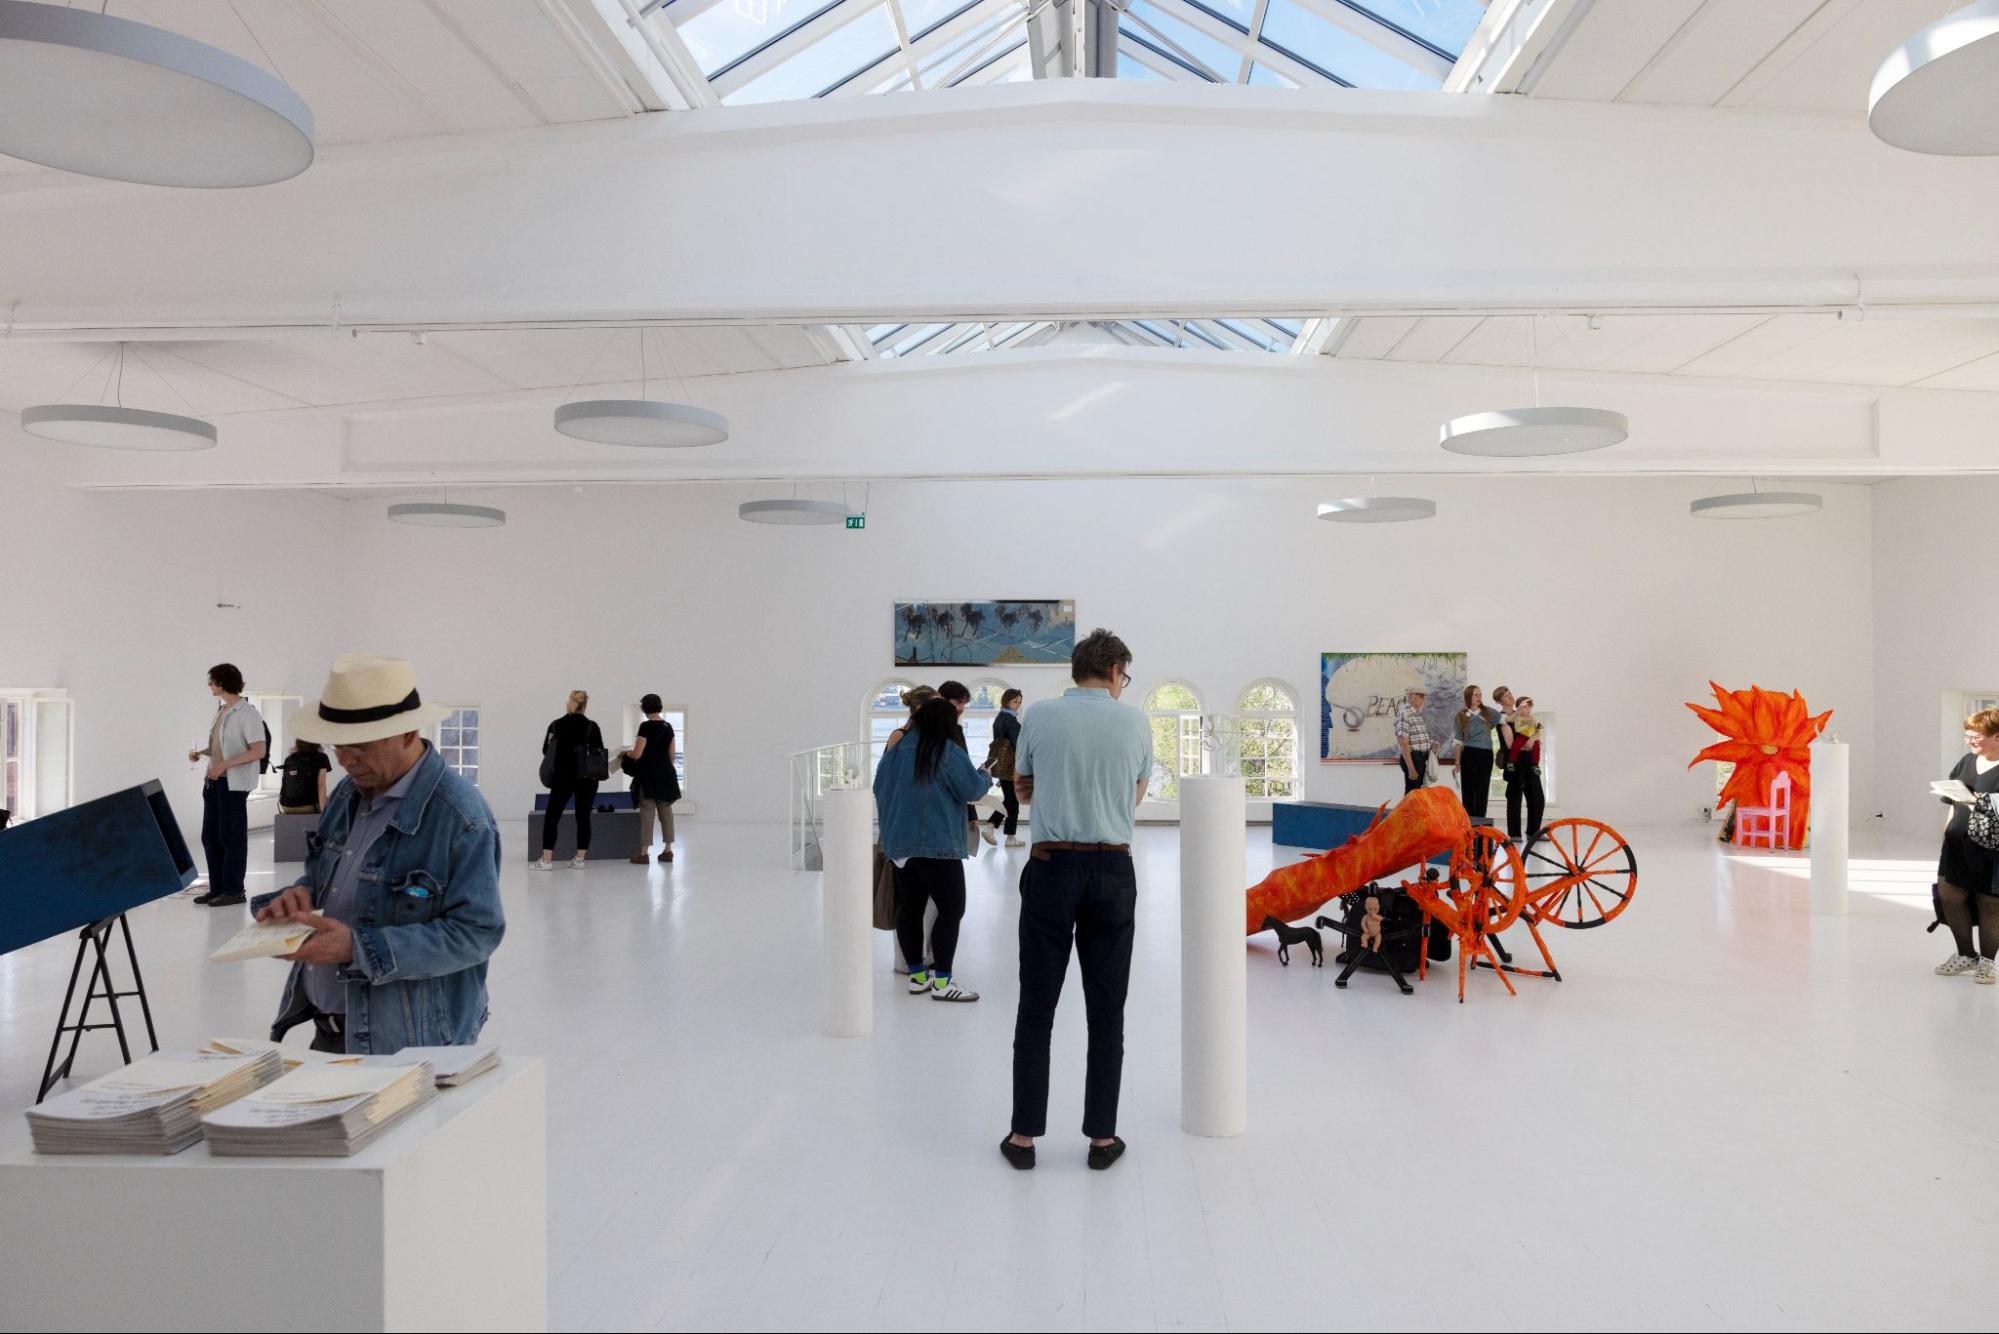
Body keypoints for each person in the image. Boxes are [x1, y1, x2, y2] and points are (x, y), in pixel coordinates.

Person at [252, 654, 504, 1054]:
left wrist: (359, 948)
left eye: (362, 747)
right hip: (331, 1033)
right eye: (338, 747)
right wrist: (300, 894)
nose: (346, 760)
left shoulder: (460, 818)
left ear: (408, 733)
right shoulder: (347, 793)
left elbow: (477, 933)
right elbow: (323, 877)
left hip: (408, 1044)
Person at [1002, 628, 1152, 1173]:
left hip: (1050, 866)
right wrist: (1105, 801)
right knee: (1106, 1010)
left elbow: (1022, 784)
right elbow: (1136, 793)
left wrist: (1052, 790)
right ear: (1114, 670)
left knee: (1036, 1007)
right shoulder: (1134, 721)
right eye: (1124, 676)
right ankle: (1101, 1139)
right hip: (1113, 869)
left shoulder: (1039, 715)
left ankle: (1023, 1138)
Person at [873, 697, 992, 1003]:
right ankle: (943, 982)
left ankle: (917, 976)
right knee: (952, 909)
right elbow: (971, 789)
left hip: (899, 844)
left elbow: (878, 787)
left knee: (909, 908)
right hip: (937, 844)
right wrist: (986, 775)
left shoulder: (896, 749)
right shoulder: (945, 750)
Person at [188, 663, 265, 907]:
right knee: (210, 836)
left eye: (211, 681)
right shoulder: (222, 711)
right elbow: (220, 747)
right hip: (214, 782)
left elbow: (258, 750)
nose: (209, 685)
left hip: (233, 784)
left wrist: (225, 765)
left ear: (222, 682)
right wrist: (202, 753)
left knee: (232, 838)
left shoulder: (248, 713)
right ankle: (218, 888)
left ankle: (234, 891)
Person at [1933, 708, 1999, 983]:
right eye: (1967, 736)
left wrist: (1979, 802)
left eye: (1976, 736)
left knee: (1989, 904)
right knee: (1950, 896)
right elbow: (1952, 800)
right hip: (1957, 845)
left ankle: (1987, 963)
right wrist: (1946, 832)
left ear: (1997, 737)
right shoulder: (1966, 761)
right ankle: (1965, 954)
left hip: (1992, 851)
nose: (1970, 741)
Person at [536, 690, 605, 870]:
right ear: (585, 706)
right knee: (583, 817)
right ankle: (579, 860)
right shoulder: (592, 726)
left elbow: (546, 750)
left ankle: (546, 860)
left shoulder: (556, 725)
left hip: (562, 776)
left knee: (553, 816)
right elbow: (598, 752)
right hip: (587, 778)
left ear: (570, 703)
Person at [619, 693, 680, 865]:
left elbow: (637, 753)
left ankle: (644, 853)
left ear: (645, 708)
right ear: (659, 706)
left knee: (647, 813)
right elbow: (672, 755)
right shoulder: (668, 727)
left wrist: (626, 754)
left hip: (648, 775)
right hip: (666, 774)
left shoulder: (645, 727)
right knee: (666, 813)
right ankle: (668, 851)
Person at [938, 680, 998, 850]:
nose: (961, 708)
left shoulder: (920, 733)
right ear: (942, 699)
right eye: (958, 702)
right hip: (946, 815)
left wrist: (971, 813)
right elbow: (966, 781)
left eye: (963, 704)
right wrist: (984, 775)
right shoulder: (953, 732)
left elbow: (962, 776)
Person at [1452, 685, 1501, 819]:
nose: (1479, 697)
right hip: (1468, 754)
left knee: (1482, 789)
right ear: (1468, 696)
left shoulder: (1489, 712)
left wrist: (1518, 711)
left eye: (1480, 694)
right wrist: (1457, 763)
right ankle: (1468, 823)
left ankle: (1480, 823)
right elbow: (1458, 740)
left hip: (1485, 754)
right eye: (1476, 695)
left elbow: (1505, 720)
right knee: (1467, 789)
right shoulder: (1461, 715)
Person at [985, 688, 1025, 848]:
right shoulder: (1011, 721)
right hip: (1011, 766)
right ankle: (999, 831)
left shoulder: (999, 719)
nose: (1017, 705)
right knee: (1012, 801)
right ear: (1006, 701)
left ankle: (999, 831)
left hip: (1000, 764)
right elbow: (1018, 746)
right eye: (1015, 701)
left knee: (1011, 800)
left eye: (1019, 702)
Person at [1504, 695, 1547, 842]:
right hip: (1516, 761)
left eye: (1529, 707)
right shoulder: (1512, 720)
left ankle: (1534, 831)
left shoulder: (1532, 719)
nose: (1527, 709)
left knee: (1538, 798)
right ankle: (1514, 834)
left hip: (1531, 761)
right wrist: (1527, 743)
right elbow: (1510, 744)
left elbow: (1538, 732)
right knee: (1515, 798)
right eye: (1524, 706)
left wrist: (1533, 739)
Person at [1393, 685, 1432, 795]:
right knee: (1412, 794)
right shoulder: (1404, 714)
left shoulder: (1417, 714)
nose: (1423, 699)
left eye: (1424, 697)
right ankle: (1407, 813)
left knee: (1418, 793)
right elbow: (1403, 742)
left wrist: (1430, 744)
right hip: (1414, 758)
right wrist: (1411, 767)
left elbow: (1415, 738)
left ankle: (1413, 813)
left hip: (1421, 758)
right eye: (1421, 696)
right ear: (1411, 696)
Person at [277, 737, 331, 815]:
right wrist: (323, 813)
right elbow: (321, 785)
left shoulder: (289, 759)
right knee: (333, 801)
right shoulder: (321, 757)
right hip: (309, 806)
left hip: (286, 806)